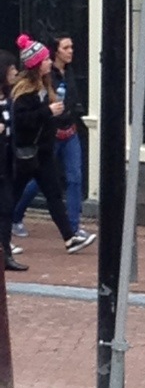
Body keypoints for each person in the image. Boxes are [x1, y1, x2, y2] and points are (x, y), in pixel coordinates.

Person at [11, 34, 95, 257]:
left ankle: (70, 237)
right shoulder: (25, 90)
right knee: (15, 193)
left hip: (45, 149)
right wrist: (48, 112)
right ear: (38, 64)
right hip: (27, 152)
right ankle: (7, 233)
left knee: (54, 193)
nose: (48, 61)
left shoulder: (45, 85)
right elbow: (22, 119)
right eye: (45, 59)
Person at [0, 52, 27, 271]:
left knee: (7, 208)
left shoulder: (9, 99)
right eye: (11, 70)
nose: (15, 73)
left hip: (6, 163)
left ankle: (5, 254)